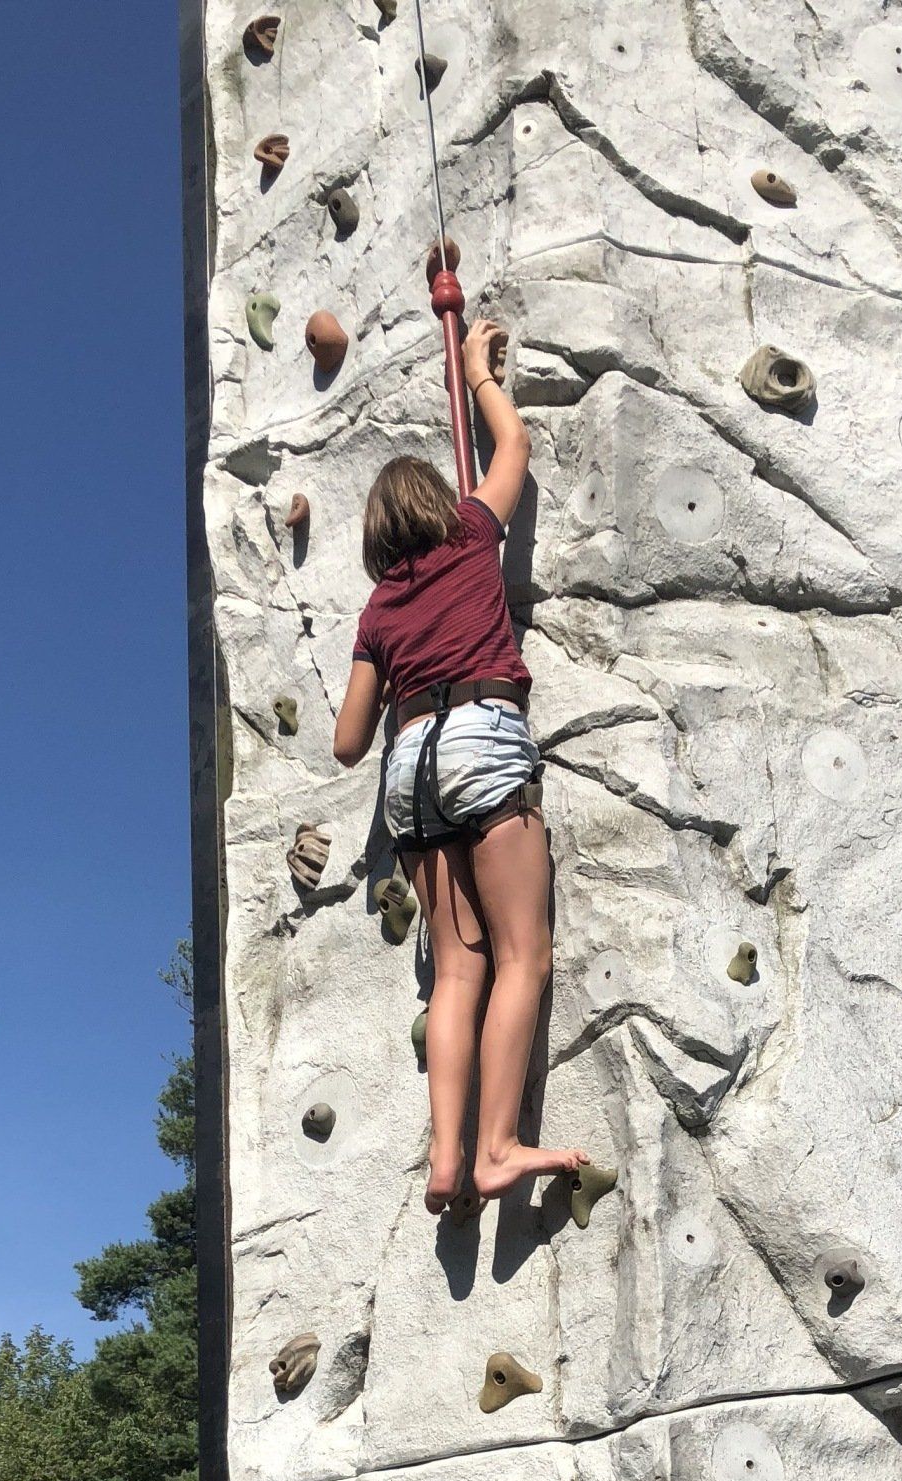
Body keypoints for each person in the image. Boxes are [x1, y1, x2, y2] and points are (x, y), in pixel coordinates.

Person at [333, 314, 588, 1216]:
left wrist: (392, 658)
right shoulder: (473, 532)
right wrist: (479, 373)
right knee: (524, 953)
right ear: (439, 502)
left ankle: (444, 1157)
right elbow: (514, 442)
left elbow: (346, 742)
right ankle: (497, 1147)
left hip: (408, 764)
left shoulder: (376, 610)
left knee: (456, 969)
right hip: (481, 735)